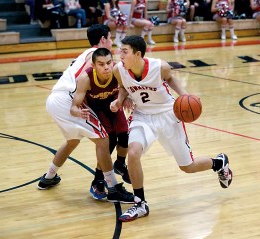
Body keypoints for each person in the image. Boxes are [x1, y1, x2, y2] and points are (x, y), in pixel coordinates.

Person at [110, 35, 233, 222]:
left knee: (187, 167)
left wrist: (186, 97)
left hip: (168, 115)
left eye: (124, 51)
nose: (120, 54)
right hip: (142, 116)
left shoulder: (160, 67)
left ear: (137, 54)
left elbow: (171, 79)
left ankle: (218, 163)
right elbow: (123, 86)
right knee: (133, 153)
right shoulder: (119, 70)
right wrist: (119, 100)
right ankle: (140, 203)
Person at [37, 24, 134, 204]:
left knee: (72, 142)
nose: (112, 41)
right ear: (103, 40)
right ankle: (113, 188)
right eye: (110, 38)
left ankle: (48, 177)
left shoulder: (87, 54)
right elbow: (83, 80)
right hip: (68, 100)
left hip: (54, 100)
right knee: (104, 139)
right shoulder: (94, 55)